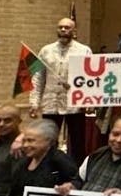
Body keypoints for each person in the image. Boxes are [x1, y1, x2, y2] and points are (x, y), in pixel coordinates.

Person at [28, 16, 92, 164]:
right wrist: (34, 102)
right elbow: (38, 78)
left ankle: (77, 171)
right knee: (48, 139)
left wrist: (89, 102)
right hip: (51, 102)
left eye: (67, 27)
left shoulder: (84, 50)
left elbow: (89, 79)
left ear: (74, 31)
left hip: (75, 103)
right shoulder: (46, 50)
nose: (63, 30)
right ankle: (48, 167)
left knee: (77, 142)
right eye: (60, 27)